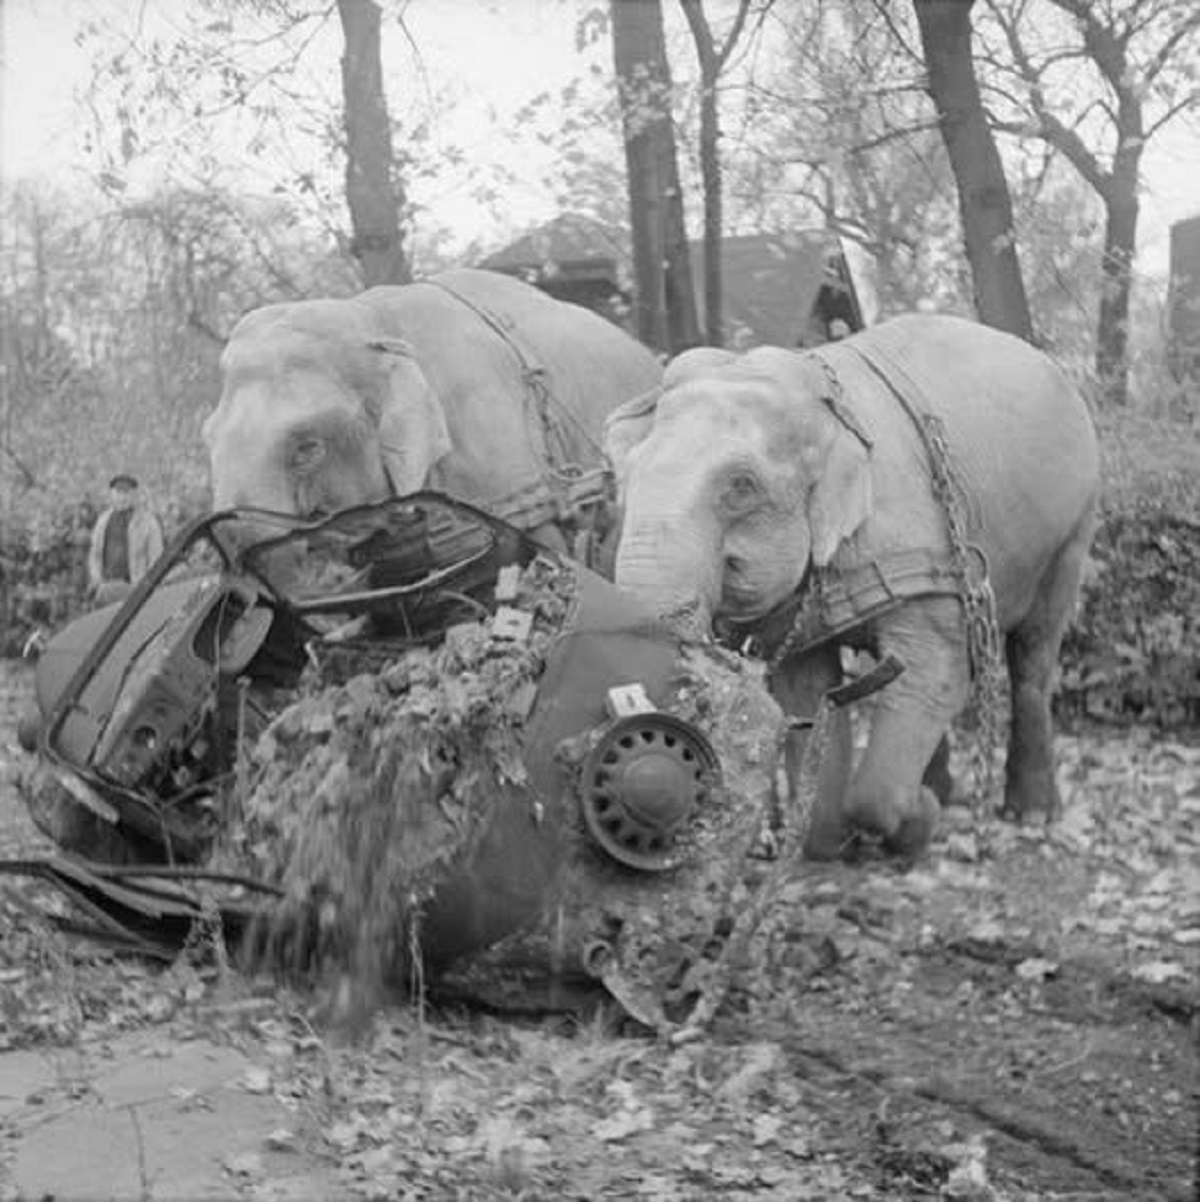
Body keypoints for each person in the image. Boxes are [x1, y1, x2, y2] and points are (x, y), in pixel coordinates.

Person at [87, 474, 164, 605]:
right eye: (118, 492)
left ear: (134, 495)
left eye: (126, 492)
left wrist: (147, 590)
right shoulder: (103, 521)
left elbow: (157, 561)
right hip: (106, 588)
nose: (122, 497)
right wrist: (97, 580)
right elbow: (95, 555)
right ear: (112, 494)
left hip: (134, 590)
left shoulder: (149, 523)